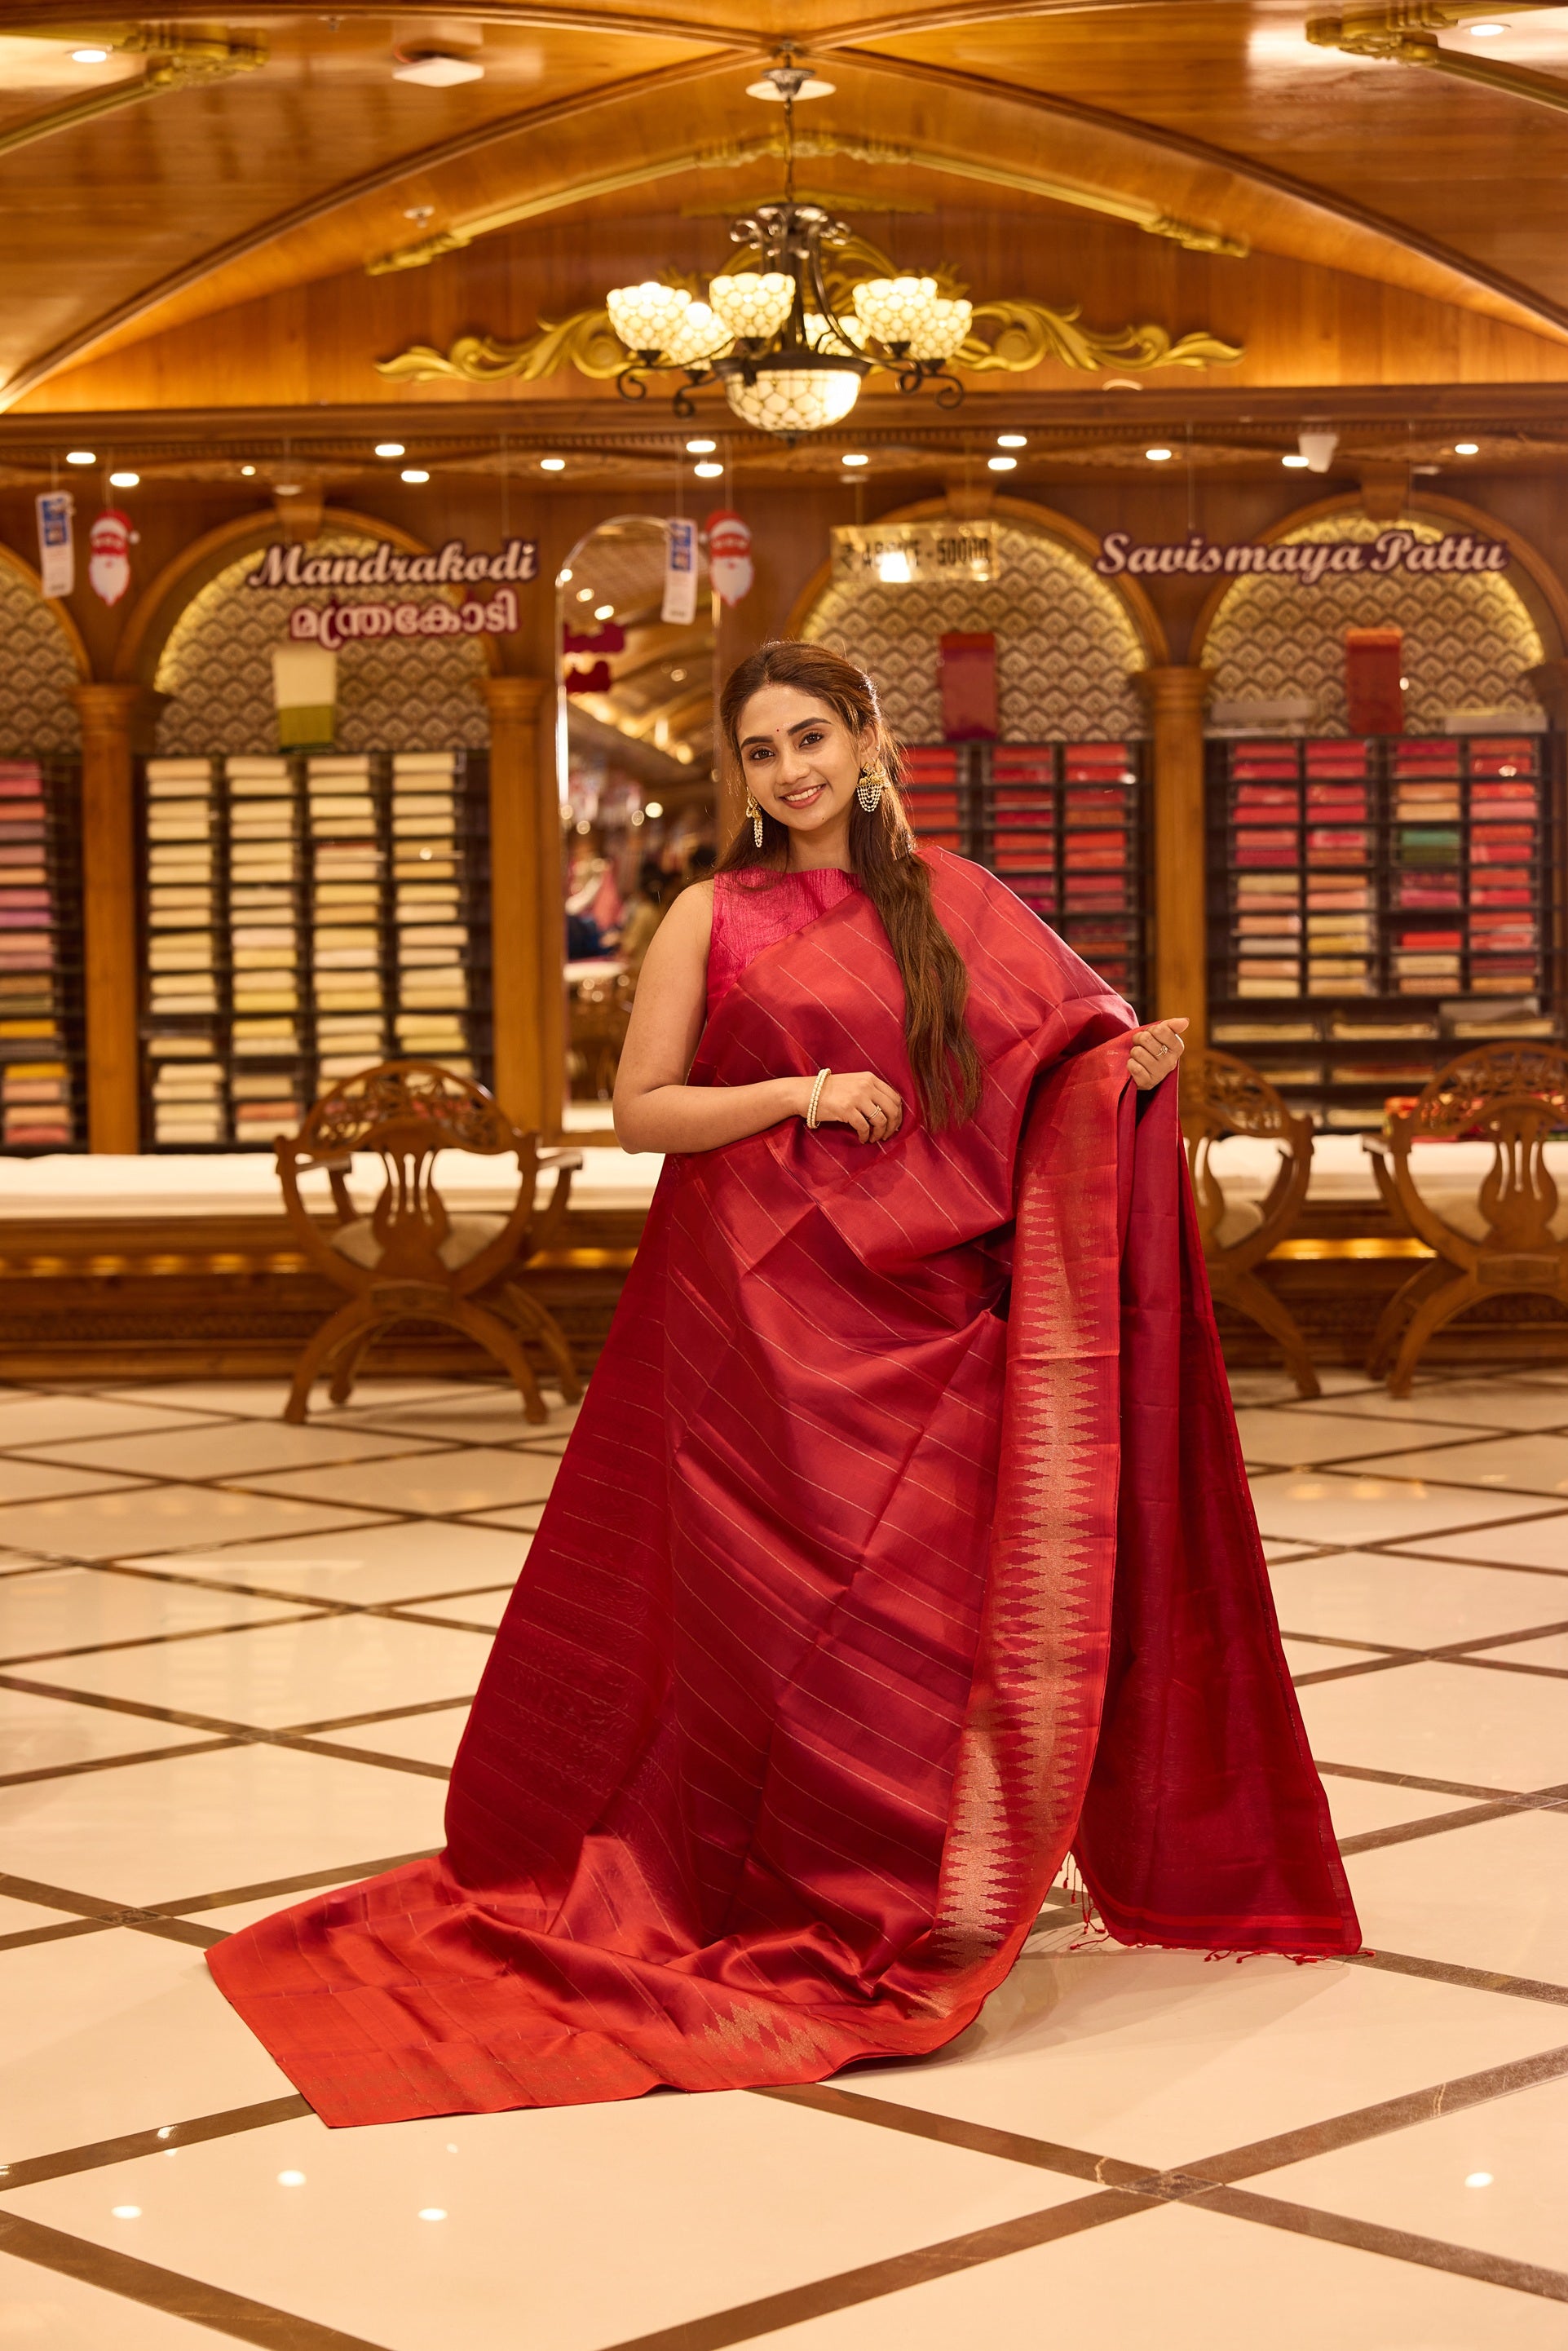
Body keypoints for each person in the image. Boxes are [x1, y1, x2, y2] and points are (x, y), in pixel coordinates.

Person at [209, 642, 1358, 2127]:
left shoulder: (956, 901)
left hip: (931, 1323)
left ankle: (899, 1894)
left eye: (811, 737)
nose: (791, 770)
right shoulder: (715, 912)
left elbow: (1057, 1059)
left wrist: (1127, 1072)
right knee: (764, 1618)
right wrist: (800, 1095)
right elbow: (640, 1112)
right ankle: (765, 1884)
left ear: (870, 737)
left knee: (917, 1617)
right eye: (761, 751)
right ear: (736, 774)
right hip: (754, 1319)